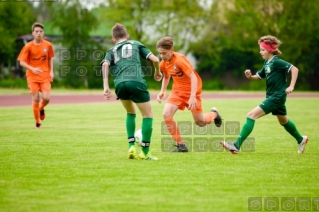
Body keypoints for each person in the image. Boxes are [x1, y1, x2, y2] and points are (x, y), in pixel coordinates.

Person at [220, 35, 308, 154]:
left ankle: (236, 146)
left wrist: (291, 86)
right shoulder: (267, 63)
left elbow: (294, 69)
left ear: (270, 50)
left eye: (262, 49)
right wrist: (250, 76)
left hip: (276, 97)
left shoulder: (276, 61)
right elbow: (259, 76)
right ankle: (300, 139)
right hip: (274, 96)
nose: (260, 52)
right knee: (283, 121)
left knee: (251, 115)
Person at [101, 23, 162, 160]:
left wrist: (106, 86)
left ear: (113, 39)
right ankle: (145, 152)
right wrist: (157, 72)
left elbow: (105, 64)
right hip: (136, 81)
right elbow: (156, 59)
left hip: (119, 83)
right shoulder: (135, 43)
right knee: (147, 115)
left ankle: (131, 147)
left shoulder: (111, 50)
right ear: (127, 36)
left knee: (130, 112)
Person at [156, 36, 222, 152]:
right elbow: (166, 77)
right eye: (160, 53)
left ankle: (214, 114)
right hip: (177, 92)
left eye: (164, 53)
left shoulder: (180, 60)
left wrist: (192, 97)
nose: (162, 56)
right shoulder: (163, 63)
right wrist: (162, 91)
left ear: (172, 50)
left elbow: (193, 77)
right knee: (166, 114)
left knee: (200, 122)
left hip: (192, 92)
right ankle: (181, 145)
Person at [17, 22, 55, 129]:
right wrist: (33, 69)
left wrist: (51, 71)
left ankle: (40, 108)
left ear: (43, 33)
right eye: (37, 31)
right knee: (36, 98)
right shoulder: (28, 46)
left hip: (44, 75)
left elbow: (50, 58)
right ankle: (38, 122)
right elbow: (21, 62)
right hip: (32, 76)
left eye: (41, 31)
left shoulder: (48, 45)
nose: (39, 33)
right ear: (33, 33)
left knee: (46, 98)